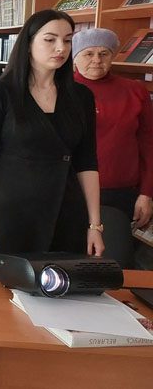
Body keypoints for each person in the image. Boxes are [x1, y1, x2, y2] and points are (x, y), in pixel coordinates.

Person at [0, 10, 105, 258]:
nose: (61, 48)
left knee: (62, 277)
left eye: (67, 40)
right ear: (29, 43)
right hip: (13, 209)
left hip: (65, 208)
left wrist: (94, 225)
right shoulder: (1, 93)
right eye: (50, 39)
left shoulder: (81, 96)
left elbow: (87, 162)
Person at [72, 28, 153, 249]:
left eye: (104, 53)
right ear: (75, 57)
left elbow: (148, 144)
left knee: (115, 256)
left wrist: (146, 193)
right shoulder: (61, 90)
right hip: (72, 192)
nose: (97, 60)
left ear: (112, 56)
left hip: (122, 193)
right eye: (88, 53)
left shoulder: (135, 90)